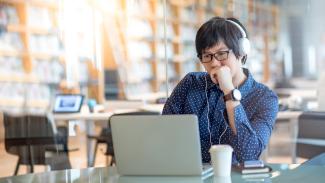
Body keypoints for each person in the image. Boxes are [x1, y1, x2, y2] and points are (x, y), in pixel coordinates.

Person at [162, 17, 278, 164]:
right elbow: (163, 135)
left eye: (221, 54)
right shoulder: (190, 84)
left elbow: (249, 155)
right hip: (189, 174)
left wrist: (228, 90)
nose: (214, 63)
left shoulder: (264, 98)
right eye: (207, 56)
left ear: (241, 52)